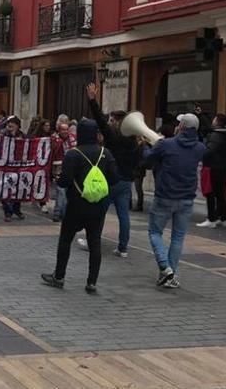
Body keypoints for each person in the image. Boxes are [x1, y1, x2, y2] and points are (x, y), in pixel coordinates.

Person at [41, 119, 118, 293]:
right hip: (98, 205)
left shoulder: (73, 154)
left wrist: (59, 179)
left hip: (76, 204)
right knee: (95, 242)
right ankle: (92, 282)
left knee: (66, 240)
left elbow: (65, 182)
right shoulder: (105, 153)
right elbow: (114, 179)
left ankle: (59, 277)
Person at [141, 113, 206, 289]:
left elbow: (147, 161)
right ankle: (170, 274)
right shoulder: (200, 148)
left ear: (181, 127)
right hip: (186, 199)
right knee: (178, 237)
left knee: (155, 233)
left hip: (165, 196)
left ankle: (165, 267)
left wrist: (147, 145)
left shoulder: (165, 145)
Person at [84, 84, 140, 257]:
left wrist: (92, 100)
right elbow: (138, 160)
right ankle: (123, 248)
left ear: (116, 122)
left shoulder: (113, 137)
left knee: (99, 211)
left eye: (112, 120)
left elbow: (100, 119)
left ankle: (91, 241)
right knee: (124, 215)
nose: (109, 122)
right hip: (126, 182)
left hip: (111, 180)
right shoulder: (134, 140)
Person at [197, 114, 226, 229]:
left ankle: (211, 218)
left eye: (214, 119)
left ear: (217, 121)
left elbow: (209, 150)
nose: (212, 121)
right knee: (220, 194)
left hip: (213, 167)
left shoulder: (216, 135)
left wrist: (202, 155)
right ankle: (221, 218)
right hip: (222, 168)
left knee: (210, 193)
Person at [49, 122, 76, 222]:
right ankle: (58, 213)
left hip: (71, 167)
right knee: (60, 190)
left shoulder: (73, 139)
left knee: (67, 191)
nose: (65, 131)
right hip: (58, 168)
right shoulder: (55, 140)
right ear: (59, 131)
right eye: (63, 129)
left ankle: (64, 212)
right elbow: (53, 152)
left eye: (66, 129)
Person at [1, 116, 25, 222]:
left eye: (12, 123)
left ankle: (16, 209)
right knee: (6, 189)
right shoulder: (3, 134)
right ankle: (8, 212)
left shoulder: (23, 135)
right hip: (6, 165)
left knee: (18, 188)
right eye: (9, 123)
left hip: (18, 165)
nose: (10, 125)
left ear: (17, 125)